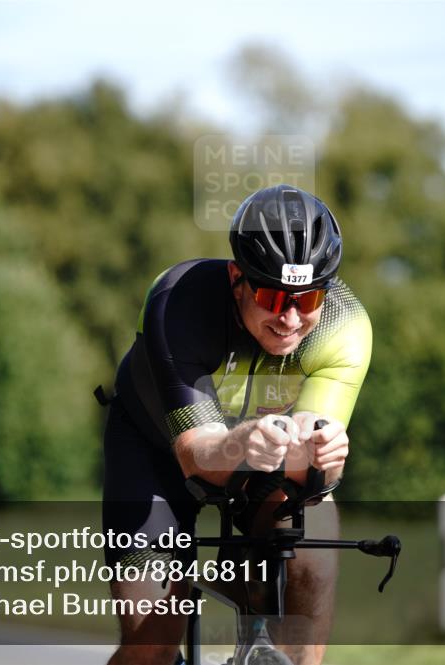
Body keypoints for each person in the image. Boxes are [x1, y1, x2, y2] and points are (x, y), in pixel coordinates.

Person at [101, 184, 372, 665]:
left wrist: (325, 459)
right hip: (155, 451)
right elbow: (194, 455)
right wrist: (242, 439)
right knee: (151, 644)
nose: (289, 318)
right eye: (271, 295)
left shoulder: (344, 327)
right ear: (236, 278)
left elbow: (314, 467)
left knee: (315, 522)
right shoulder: (180, 299)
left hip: (261, 456)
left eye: (307, 300)